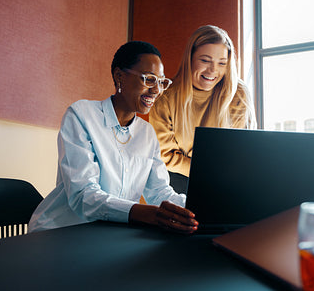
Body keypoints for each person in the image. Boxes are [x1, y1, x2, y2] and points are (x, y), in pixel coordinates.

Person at [29, 41, 198, 234]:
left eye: (161, 82)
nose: (156, 90)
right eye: (149, 79)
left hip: (108, 234)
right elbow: (83, 196)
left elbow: (160, 192)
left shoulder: (147, 133)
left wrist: (198, 207)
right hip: (62, 231)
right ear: (119, 76)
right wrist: (144, 213)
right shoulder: (81, 114)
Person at [149, 25, 256, 194]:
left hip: (226, 174)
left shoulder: (238, 93)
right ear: (190, 58)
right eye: (205, 61)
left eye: (222, 63)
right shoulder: (165, 97)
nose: (213, 71)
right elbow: (166, 155)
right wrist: (206, 171)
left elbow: (242, 148)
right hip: (179, 178)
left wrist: (222, 173)